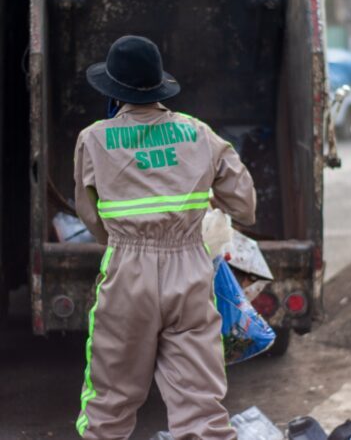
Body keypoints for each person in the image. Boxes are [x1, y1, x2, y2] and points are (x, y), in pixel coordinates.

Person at [73, 35, 256, 439]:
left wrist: (123, 240)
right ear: (159, 86)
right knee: (200, 408)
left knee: (110, 402)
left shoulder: (94, 139)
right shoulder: (198, 133)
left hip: (127, 273)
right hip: (188, 270)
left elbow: (90, 215)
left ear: (113, 89)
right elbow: (245, 204)